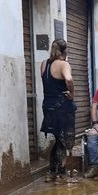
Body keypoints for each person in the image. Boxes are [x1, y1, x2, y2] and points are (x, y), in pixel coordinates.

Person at [40, 39, 75, 182]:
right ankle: (61, 172)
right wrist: (72, 93)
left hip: (48, 105)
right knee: (63, 140)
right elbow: (69, 79)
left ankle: (52, 172)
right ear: (65, 51)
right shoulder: (64, 64)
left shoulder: (44, 64)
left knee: (57, 138)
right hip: (62, 106)